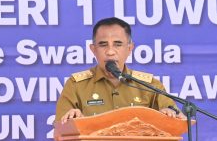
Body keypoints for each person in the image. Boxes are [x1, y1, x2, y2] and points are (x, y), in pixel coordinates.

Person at [55, 17, 183, 123]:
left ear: (130, 48)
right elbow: (60, 131)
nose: (110, 52)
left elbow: (176, 118)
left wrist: (169, 115)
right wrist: (72, 120)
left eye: (117, 44)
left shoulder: (149, 85)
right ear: (93, 49)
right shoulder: (76, 85)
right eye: (103, 45)